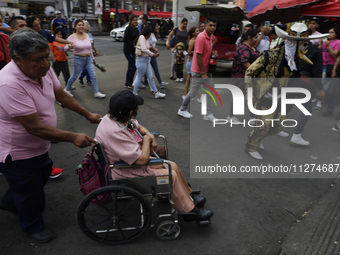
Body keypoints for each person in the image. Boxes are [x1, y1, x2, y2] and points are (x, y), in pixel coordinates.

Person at [0, 28, 102, 242]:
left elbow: (61, 95)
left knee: (41, 175)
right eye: (38, 60)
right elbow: (34, 127)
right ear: (17, 59)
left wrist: (87, 114)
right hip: (18, 151)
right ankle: (32, 226)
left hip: (38, 147)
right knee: (32, 194)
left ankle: (10, 201)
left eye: (46, 57)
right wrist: (73, 136)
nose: (46, 64)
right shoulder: (9, 83)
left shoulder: (42, 70)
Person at [95, 90, 213, 219]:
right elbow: (141, 160)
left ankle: (187, 196)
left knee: (171, 165)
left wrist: (148, 134)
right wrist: (146, 140)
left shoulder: (114, 117)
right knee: (170, 175)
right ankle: (188, 210)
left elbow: (138, 126)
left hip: (130, 161)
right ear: (130, 113)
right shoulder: (114, 132)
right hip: (125, 169)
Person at [244, 23, 328, 160]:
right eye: (298, 42)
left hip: (282, 97)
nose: (302, 45)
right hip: (266, 95)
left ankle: (256, 136)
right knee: (264, 124)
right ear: (289, 41)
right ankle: (251, 146)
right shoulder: (270, 55)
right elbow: (250, 72)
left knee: (277, 126)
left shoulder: (297, 60)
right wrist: (251, 93)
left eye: (303, 42)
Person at [177, 16, 218, 122]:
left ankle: (207, 113)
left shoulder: (210, 37)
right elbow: (198, 56)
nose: (212, 27)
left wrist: (213, 54)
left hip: (206, 70)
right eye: (210, 25)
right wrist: (203, 73)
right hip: (199, 70)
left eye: (214, 26)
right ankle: (182, 109)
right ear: (206, 26)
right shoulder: (201, 37)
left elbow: (205, 53)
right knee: (193, 92)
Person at [285, 40, 324, 146]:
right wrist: (320, 88)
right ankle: (296, 135)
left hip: (292, 79)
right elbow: (317, 71)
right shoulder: (315, 50)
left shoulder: (292, 47)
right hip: (305, 82)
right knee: (306, 110)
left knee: (288, 104)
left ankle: (274, 127)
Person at [64, 20, 106, 98]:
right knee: (74, 76)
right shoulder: (72, 37)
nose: (81, 26)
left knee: (93, 75)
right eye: (79, 25)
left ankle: (96, 92)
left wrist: (93, 59)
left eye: (82, 25)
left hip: (88, 59)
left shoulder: (86, 35)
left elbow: (90, 48)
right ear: (75, 26)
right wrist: (69, 47)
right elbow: (65, 48)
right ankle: (67, 89)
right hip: (78, 59)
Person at [229, 28, 260, 124]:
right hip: (241, 77)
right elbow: (245, 62)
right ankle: (231, 116)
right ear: (249, 37)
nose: (257, 39)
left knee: (250, 97)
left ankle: (252, 118)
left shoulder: (251, 47)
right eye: (255, 37)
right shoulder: (243, 48)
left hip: (249, 77)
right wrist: (256, 72)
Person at [132, 26, 166, 99]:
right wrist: (152, 54)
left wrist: (153, 51)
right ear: (148, 33)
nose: (150, 35)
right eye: (150, 33)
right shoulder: (142, 37)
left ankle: (156, 93)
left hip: (146, 60)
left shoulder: (146, 39)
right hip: (141, 60)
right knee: (139, 77)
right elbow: (144, 49)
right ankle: (134, 93)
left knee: (150, 77)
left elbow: (148, 48)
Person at [318, 27, 340, 113]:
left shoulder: (338, 42)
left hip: (329, 65)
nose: (329, 34)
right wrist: (320, 44)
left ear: (336, 34)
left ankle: (321, 101)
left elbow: (334, 55)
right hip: (321, 64)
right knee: (320, 82)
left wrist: (328, 45)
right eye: (328, 32)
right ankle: (320, 99)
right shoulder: (325, 41)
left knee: (326, 84)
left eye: (331, 32)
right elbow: (319, 52)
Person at [148, 20, 168, 90]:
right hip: (148, 55)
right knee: (145, 73)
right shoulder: (149, 34)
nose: (158, 27)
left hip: (153, 54)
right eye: (156, 26)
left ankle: (160, 83)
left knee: (155, 69)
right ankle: (136, 85)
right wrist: (153, 49)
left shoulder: (153, 34)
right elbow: (148, 45)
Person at [78, 21, 99, 85]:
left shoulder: (90, 35)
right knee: (87, 68)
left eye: (88, 25)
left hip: (90, 53)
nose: (87, 26)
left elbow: (93, 44)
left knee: (89, 67)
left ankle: (88, 79)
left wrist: (96, 51)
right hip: (84, 54)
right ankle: (81, 77)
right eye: (85, 25)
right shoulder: (81, 34)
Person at [123, 15, 139, 89]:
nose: (135, 21)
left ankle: (127, 82)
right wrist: (133, 43)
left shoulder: (136, 29)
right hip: (128, 50)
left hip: (134, 50)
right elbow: (125, 40)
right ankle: (131, 83)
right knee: (134, 67)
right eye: (134, 20)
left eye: (136, 20)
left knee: (130, 67)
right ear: (130, 21)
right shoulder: (128, 29)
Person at [183, 27, 199, 99]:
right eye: (197, 31)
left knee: (191, 79)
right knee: (192, 79)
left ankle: (187, 95)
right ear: (193, 33)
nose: (198, 32)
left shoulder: (197, 40)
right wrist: (197, 51)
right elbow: (189, 52)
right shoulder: (192, 41)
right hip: (191, 61)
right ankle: (187, 95)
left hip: (193, 61)